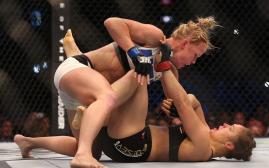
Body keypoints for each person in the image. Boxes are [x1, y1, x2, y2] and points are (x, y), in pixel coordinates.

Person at [15, 58, 256, 165]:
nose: (225, 125)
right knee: (84, 145)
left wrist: (162, 63)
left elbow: (184, 103)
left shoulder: (204, 146)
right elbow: (191, 101)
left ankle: (91, 89)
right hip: (126, 141)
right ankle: (28, 142)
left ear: (229, 146)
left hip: (134, 145)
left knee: (140, 74)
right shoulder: (203, 129)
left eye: (231, 129)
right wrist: (175, 105)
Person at [51, 16, 218, 167]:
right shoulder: (155, 37)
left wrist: (174, 109)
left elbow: (176, 103)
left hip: (80, 93)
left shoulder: (170, 71)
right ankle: (82, 154)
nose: (194, 62)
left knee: (94, 150)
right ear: (185, 43)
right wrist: (132, 49)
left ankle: (29, 142)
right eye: (195, 55)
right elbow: (111, 22)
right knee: (118, 89)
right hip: (77, 70)